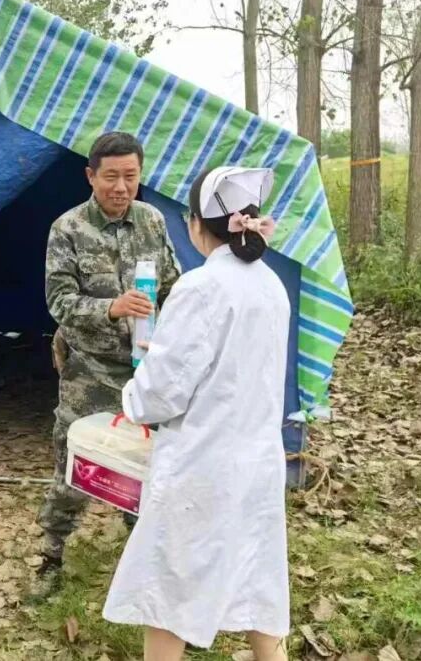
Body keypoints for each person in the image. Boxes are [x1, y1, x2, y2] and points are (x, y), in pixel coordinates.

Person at [103, 165, 290, 661]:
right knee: (258, 580)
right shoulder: (270, 284)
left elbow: (161, 395)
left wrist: (135, 391)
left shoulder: (201, 287)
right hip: (258, 461)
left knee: (171, 591)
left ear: (193, 223)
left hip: (203, 466)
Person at [36, 132, 181, 594]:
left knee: (147, 463)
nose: (121, 187)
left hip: (146, 370)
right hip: (89, 370)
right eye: (111, 177)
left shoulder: (152, 222)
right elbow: (58, 302)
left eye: (130, 177)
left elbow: (173, 287)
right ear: (91, 176)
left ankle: (142, 555)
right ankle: (50, 558)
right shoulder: (68, 229)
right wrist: (111, 308)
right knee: (73, 465)